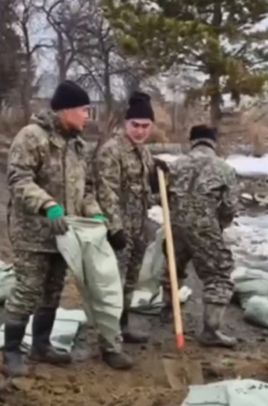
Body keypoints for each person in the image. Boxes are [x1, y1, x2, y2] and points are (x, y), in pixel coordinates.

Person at [2, 80, 133, 375]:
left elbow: (85, 189)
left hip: (65, 235)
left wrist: (97, 216)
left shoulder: (76, 144)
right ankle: (11, 353)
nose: (88, 116)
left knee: (52, 290)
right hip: (33, 233)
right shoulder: (32, 137)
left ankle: (41, 345)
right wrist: (47, 204)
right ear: (66, 110)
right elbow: (18, 179)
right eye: (84, 110)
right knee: (27, 289)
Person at [93, 91, 166, 344]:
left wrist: (158, 185)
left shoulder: (143, 152)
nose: (140, 131)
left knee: (130, 282)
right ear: (126, 124)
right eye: (135, 125)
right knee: (113, 283)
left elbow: (143, 193)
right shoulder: (111, 151)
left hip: (138, 228)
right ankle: (108, 338)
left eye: (145, 126)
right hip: (118, 230)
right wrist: (115, 228)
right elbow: (106, 191)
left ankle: (122, 328)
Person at [164, 124, 239, 348]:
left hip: (175, 224)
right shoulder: (224, 169)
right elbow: (229, 206)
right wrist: (219, 226)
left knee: (172, 267)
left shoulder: (175, 166)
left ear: (192, 141)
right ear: (213, 143)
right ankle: (211, 330)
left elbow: (162, 196)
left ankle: (167, 310)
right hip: (205, 227)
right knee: (219, 273)